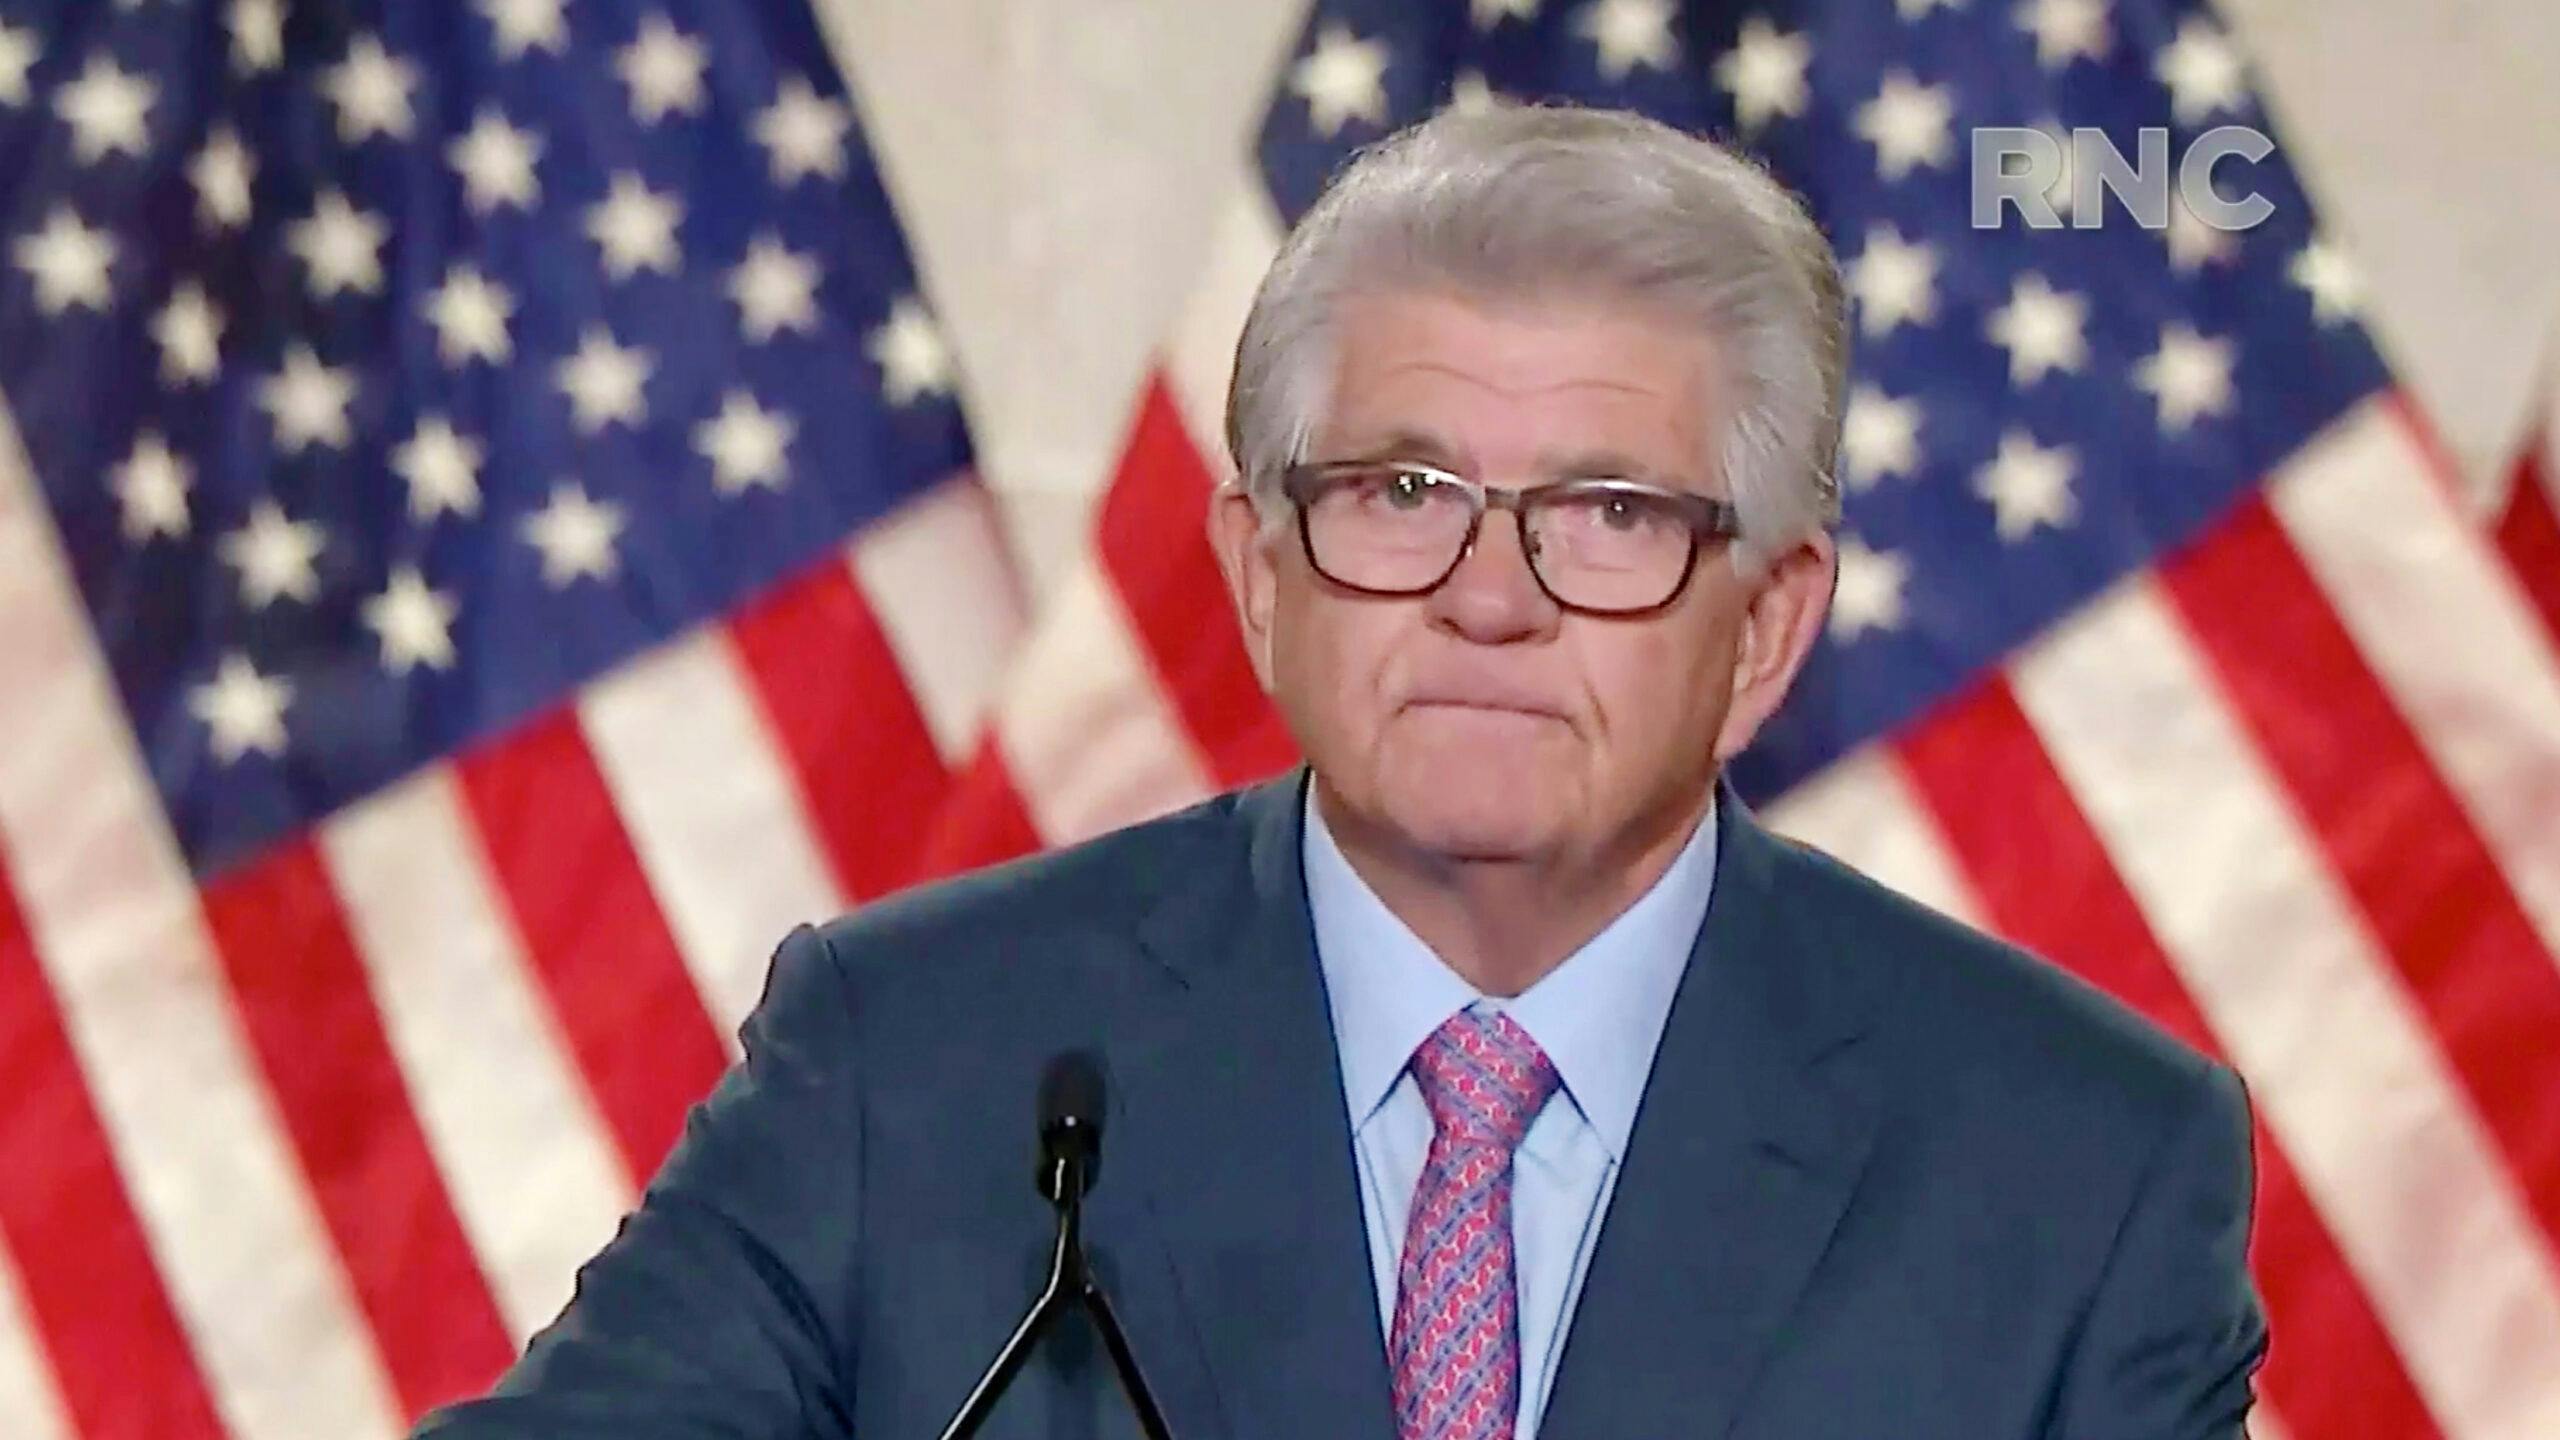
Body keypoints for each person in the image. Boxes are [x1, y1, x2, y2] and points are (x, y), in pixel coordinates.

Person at [416, 103, 2266, 1440]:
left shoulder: (2077, 1166)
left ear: (1770, 624)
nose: (1489, 596)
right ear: (1259, 573)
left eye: (1609, 515)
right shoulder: (917, 1062)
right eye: (1402, 493)